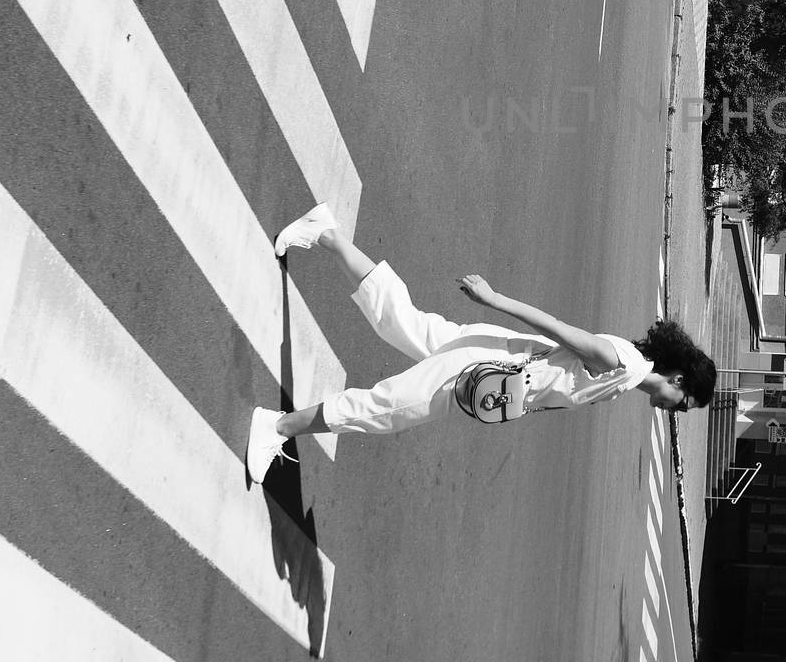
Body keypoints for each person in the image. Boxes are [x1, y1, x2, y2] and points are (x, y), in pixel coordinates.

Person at [245, 204, 718, 484]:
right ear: (678, 381)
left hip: (492, 353)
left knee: (397, 319)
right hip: (481, 368)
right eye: (683, 403)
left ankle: (325, 232)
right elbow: (556, 327)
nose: (674, 410)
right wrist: (493, 299)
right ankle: (279, 426)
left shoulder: (628, 371)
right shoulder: (626, 366)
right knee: (387, 410)